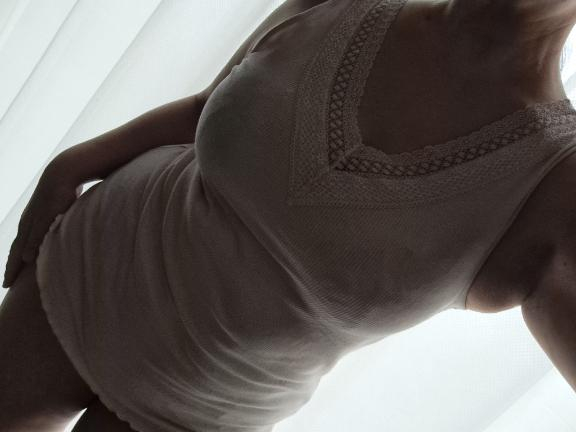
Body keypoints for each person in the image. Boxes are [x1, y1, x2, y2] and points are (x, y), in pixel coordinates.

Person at [1, 0, 576, 430]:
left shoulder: (554, 182)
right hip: (93, 264)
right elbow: (204, 108)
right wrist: (71, 164)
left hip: (205, 408)